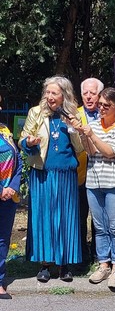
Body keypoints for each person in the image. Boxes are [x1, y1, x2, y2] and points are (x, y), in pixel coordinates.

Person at [18, 76, 83, 283]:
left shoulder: (74, 114)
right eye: (47, 92)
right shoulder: (35, 113)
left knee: (66, 218)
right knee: (43, 217)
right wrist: (29, 141)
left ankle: (64, 265)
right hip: (42, 172)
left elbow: (81, 147)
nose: (49, 97)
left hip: (66, 174)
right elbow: (22, 139)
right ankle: (45, 264)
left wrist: (73, 127)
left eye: (54, 93)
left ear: (64, 95)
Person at [73, 87, 115, 288]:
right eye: (100, 105)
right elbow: (90, 151)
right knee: (99, 226)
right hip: (94, 183)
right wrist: (83, 135)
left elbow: (110, 152)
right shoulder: (94, 125)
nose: (102, 109)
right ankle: (103, 263)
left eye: (107, 106)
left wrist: (92, 135)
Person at [77, 78, 104, 266]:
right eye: (85, 93)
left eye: (92, 93)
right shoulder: (73, 114)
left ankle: (97, 252)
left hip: (101, 174)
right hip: (78, 173)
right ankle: (80, 253)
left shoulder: (106, 114)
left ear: (99, 95)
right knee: (79, 214)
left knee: (98, 215)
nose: (88, 97)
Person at [0, 96, 22, 299]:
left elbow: (18, 162)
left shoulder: (4, 131)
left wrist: (13, 187)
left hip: (8, 197)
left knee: (2, 239)